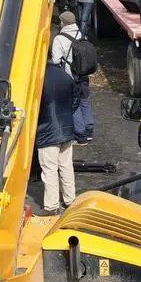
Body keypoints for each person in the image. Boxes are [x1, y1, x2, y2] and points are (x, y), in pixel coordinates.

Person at [35, 61, 77, 216]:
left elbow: (36, 107)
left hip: (47, 129)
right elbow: (76, 99)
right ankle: (70, 200)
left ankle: (52, 206)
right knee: (66, 165)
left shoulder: (39, 78)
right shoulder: (65, 76)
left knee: (49, 169)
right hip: (66, 127)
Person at [50, 11, 94, 145]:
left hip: (70, 76)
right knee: (84, 102)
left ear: (63, 23)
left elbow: (56, 60)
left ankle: (80, 136)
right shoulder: (80, 34)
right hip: (83, 74)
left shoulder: (59, 39)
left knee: (73, 106)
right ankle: (89, 130)